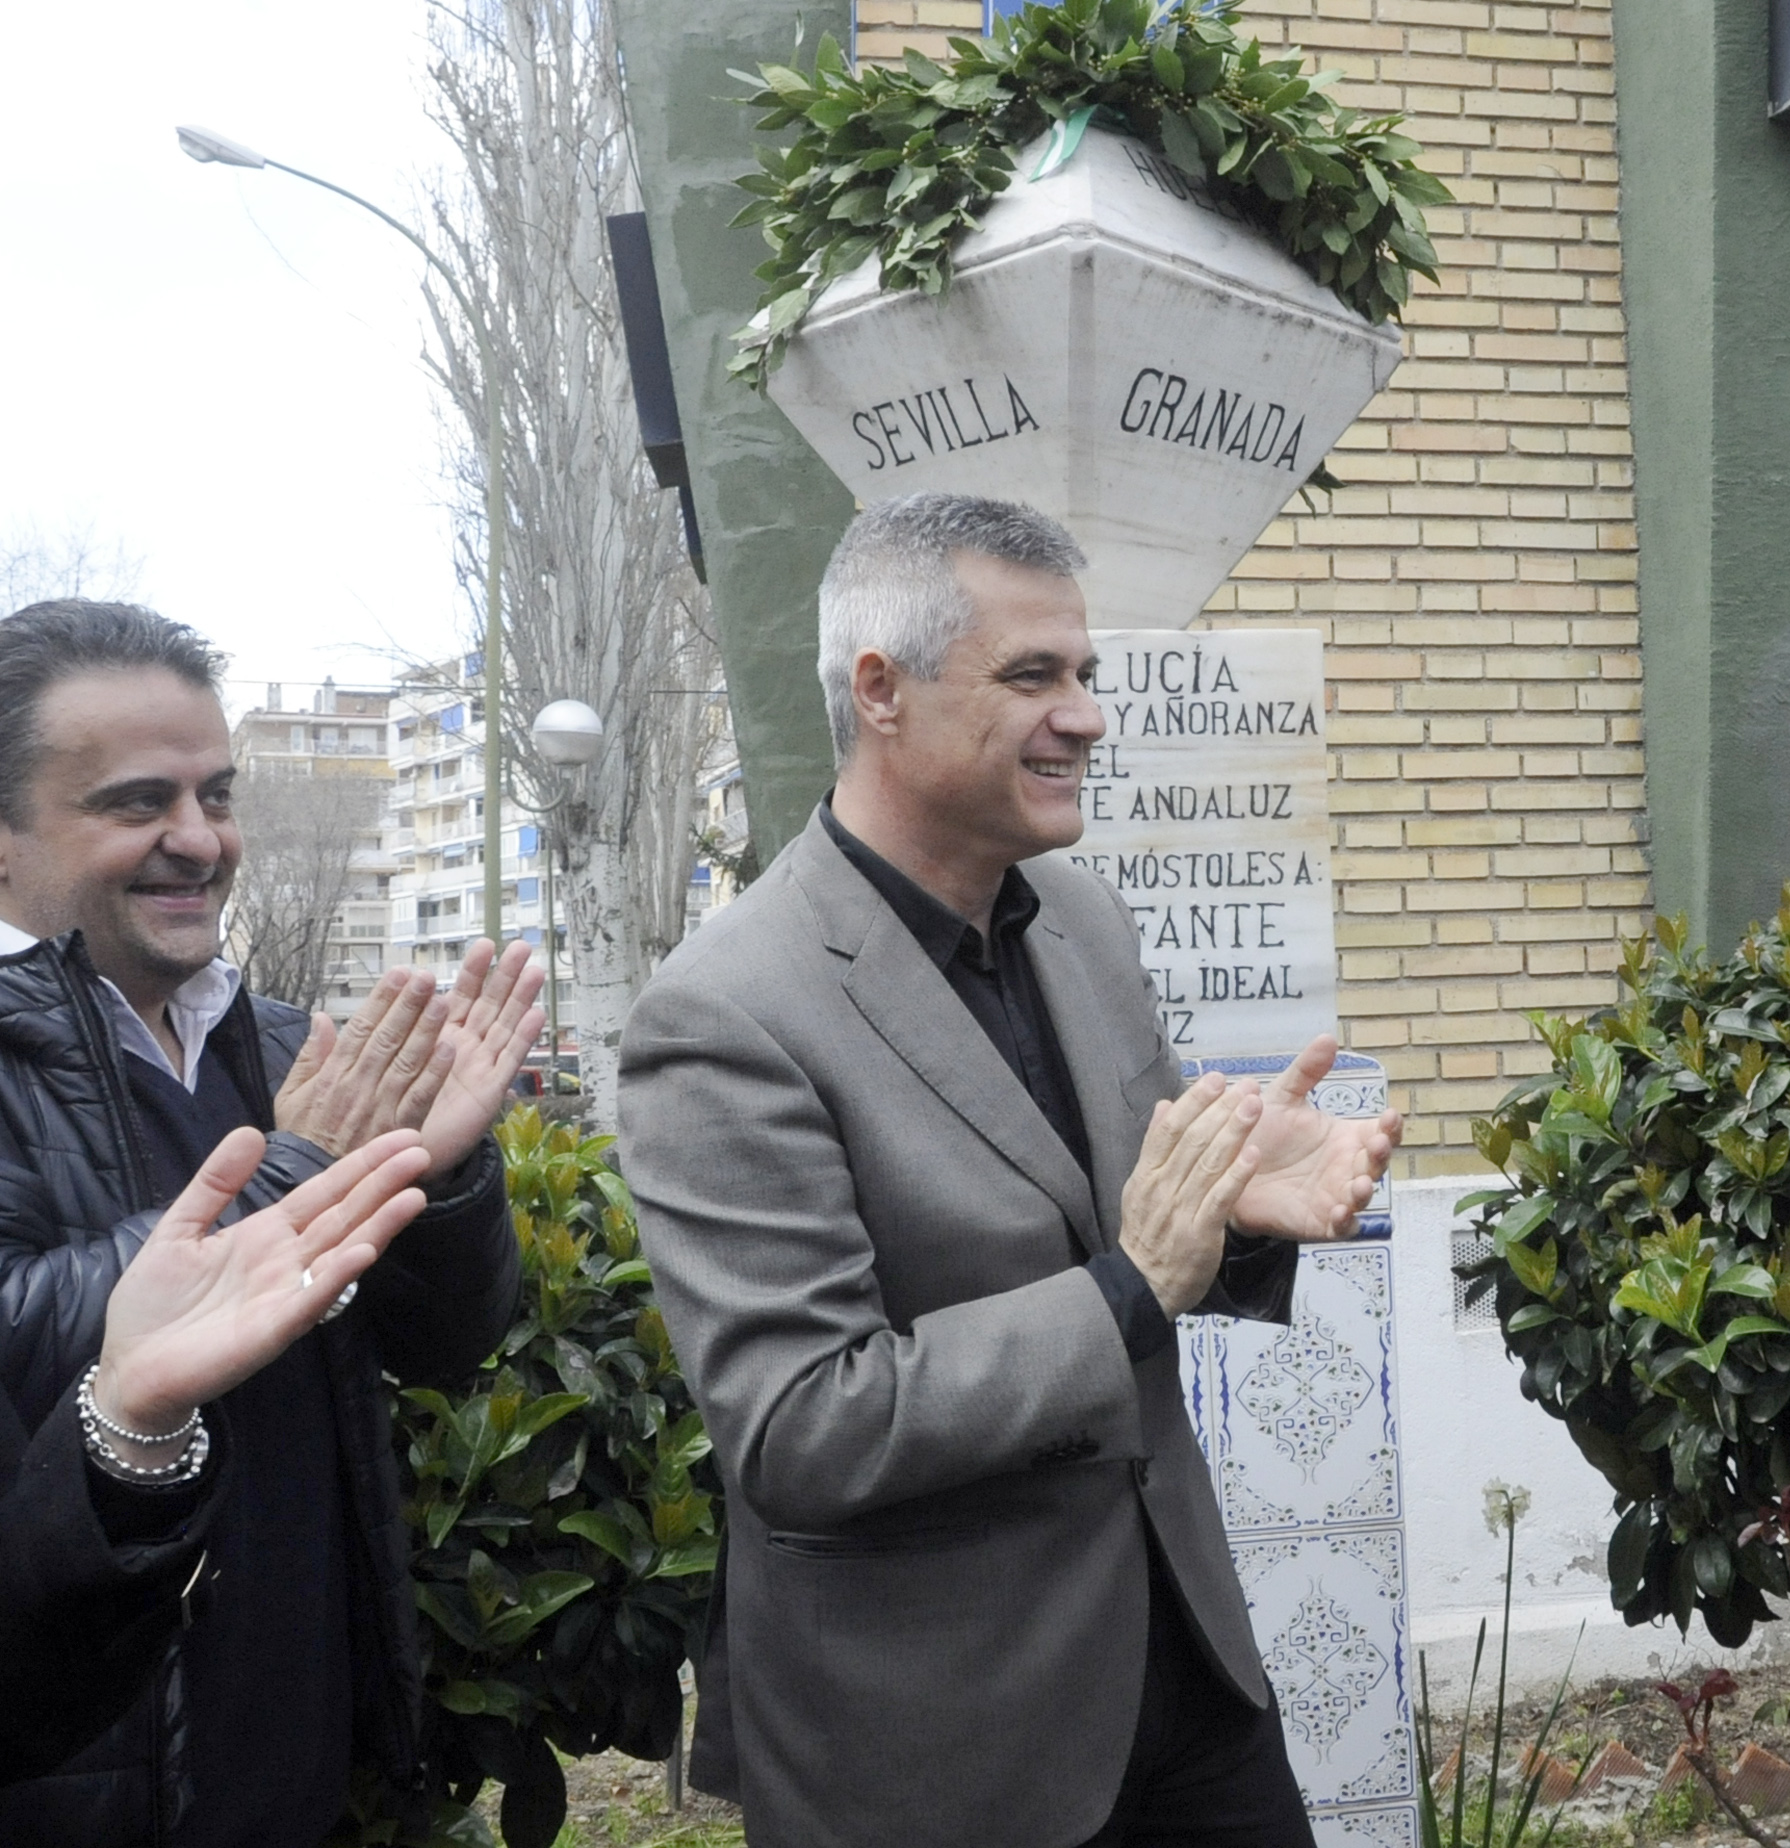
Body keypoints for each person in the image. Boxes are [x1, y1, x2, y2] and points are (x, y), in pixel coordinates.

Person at [619, 493, 1401, 1848]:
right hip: (942, 1745)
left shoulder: (1081, 921)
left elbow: (1143, 1230)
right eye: (1033, 675)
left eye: (1085, 673)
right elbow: (804, 1425)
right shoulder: (725, 1013)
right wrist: (1133, 1287)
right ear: (881, 691)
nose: (1086, 713)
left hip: (1189, 1677)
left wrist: (1239, 1208)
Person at [0, 600, 542, 1845]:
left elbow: (445, 1344)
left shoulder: (290, 1045)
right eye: (139, 803)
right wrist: (301, 1174)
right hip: (79, 1777)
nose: (200, 841)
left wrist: (440, 1178)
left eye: (218, 795)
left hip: (290, 1746)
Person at [2, 1123, 434, 1783]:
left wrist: (128, 1416)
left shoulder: (267, 1031)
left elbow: (27, 1692)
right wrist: (283, 1171)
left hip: (297, 1720)